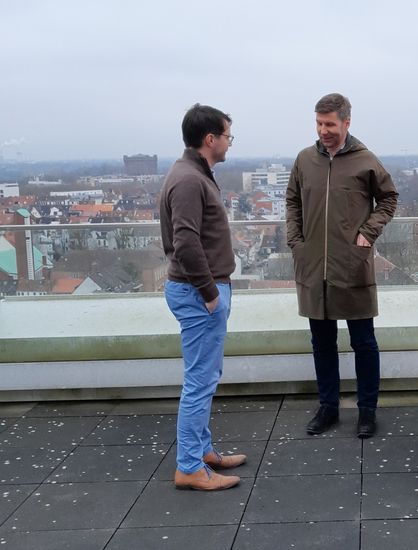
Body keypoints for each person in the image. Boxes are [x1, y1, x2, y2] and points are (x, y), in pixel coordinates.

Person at [286, 93, 398, 438]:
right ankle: (328, 407)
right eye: (319, 124)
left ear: (347, 122)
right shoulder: (305, 160)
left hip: (352, 264)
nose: (324, 131)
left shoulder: (365, 160)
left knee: (364, 341)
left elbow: (389, 198)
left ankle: (367, 411)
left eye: (330, 124)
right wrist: (296, 241)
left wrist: (367, 234)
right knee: (321, 342)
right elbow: (292, 200)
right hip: (312, 267)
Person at [160, 103, 246, 491]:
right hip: (199, 294)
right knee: (199, 382)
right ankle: (190, 468)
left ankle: (201, 452)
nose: (230, 142)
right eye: (228, 135)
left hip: (199, 291)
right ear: (210, 139)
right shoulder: (190, 181)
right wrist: (211, 295)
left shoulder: (192, 173)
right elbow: (186, 242)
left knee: (205, 377)